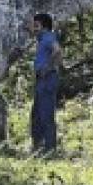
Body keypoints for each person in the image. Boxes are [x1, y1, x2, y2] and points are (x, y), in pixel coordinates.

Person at [29, 12, 63, 154]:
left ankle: (50, 149)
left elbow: (58, 51)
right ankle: (39, 147)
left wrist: (47, 68)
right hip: (42, 80)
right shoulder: (42, 39)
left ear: (44, 26)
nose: (34, 29)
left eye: (36, 26)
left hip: (47, 78)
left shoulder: (48, 37)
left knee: (46, 114)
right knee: (36, 115)